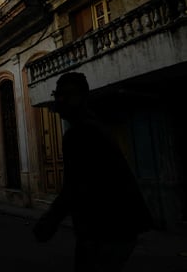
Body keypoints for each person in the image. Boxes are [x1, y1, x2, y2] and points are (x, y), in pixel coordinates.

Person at [32, 72, 152, 271]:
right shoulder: (92, 125)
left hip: (108, 227)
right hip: (114, 226)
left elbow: (76, 185)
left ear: (83, 97)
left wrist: (52, 218)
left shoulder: (81, 132)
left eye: (67, 95)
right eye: (58, 95)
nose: (60, 101)